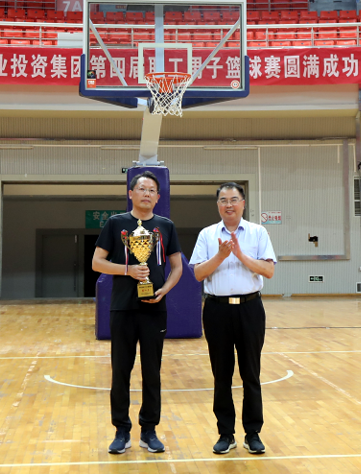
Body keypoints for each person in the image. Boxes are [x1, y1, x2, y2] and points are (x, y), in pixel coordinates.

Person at [92, 170, 183, 455]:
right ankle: (121, 430)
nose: (146, 193)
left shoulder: (165, 226)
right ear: (131, 193)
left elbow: (177, 266)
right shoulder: (116, 223)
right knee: (121, 370)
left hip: (154, 309)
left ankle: (149, 430)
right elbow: (97, 262)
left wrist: (164, 290)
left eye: (152, 190)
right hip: (122, 308)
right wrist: (128, 270)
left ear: (158, 197)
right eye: (142, 189)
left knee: (152, 372)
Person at [189, 182, 276, 455]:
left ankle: (253, 433)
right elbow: (198, 274)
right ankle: (225, 433)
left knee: (251, 373)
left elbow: (268, 270)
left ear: (243, 203)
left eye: (234, 199)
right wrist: (221, 255)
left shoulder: (258, 232)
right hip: (217, 310)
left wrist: (239, 255)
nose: (229, 204)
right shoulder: (207, 234)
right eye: (224, 200)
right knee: (221, 374)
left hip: (250, 309)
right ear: (218, 205)